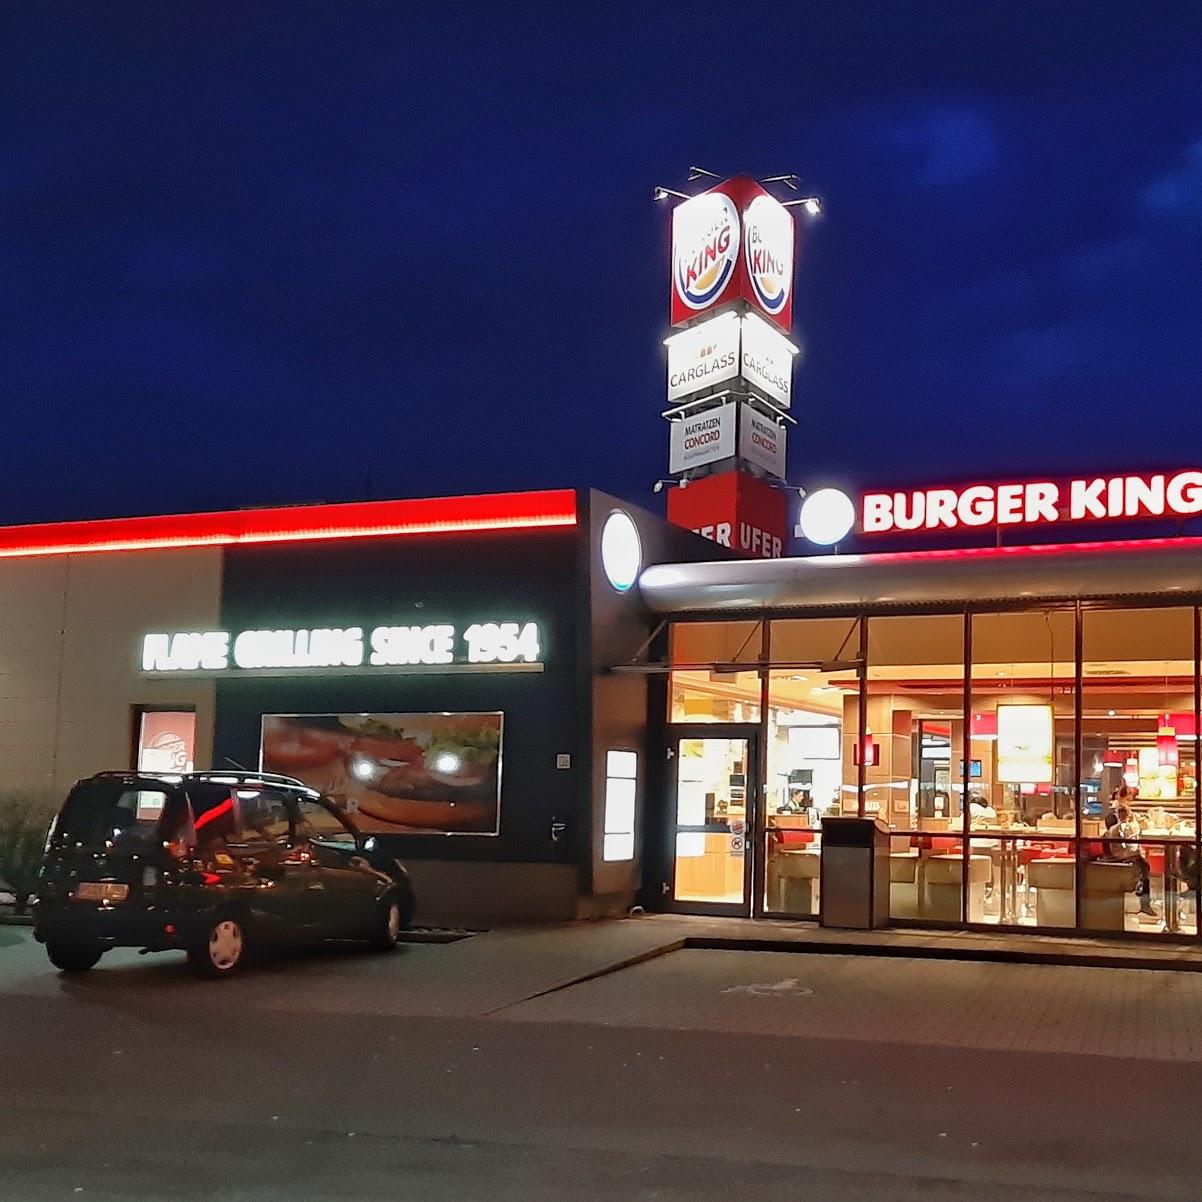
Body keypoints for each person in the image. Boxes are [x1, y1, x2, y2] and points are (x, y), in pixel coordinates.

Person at [1106, 803, 1156, 917]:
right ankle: (1144, 900)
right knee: (1144, 868)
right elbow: (1125, 848)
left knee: (1144, 867)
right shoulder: (1123, 828)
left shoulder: (1116, 828)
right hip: (1122, 858)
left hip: (1121, 856)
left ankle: (1142, 893)